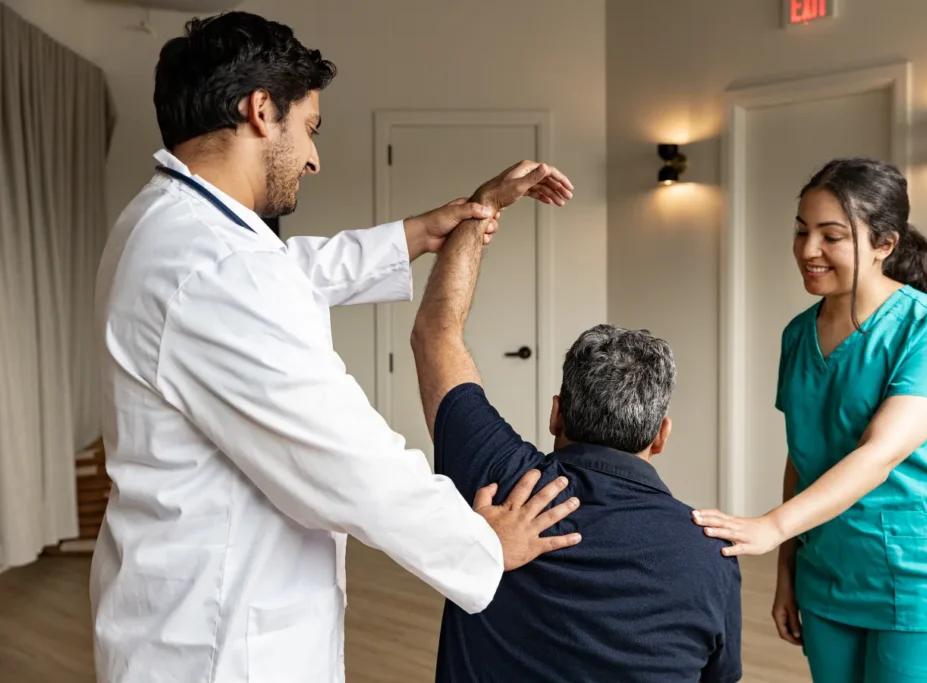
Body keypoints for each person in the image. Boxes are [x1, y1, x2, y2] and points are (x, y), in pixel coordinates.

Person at [90, 12, 580, 683]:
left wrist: (421, 231)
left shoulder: (168, 225)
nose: (315, 157)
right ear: (262, 111)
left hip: (176, 606)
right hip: (219, 644)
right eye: (310, 128)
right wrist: (480, 543)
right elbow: (350, 459)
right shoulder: (215, 267)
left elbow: (289, 272)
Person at [410, 171, 743, 683]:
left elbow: (437, 334)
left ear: (556, 414)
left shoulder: (501, 487)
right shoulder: (712, 552)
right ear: (661, 434)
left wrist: (481, 211)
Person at [692, 157, 927, 682]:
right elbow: (802, 454)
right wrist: (787, 573)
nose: (808, 250)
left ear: (885, 244)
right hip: (829, 577)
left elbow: (878, 455)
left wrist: (770, 527)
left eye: (831, 235)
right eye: (801, 231)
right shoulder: (797, 334)